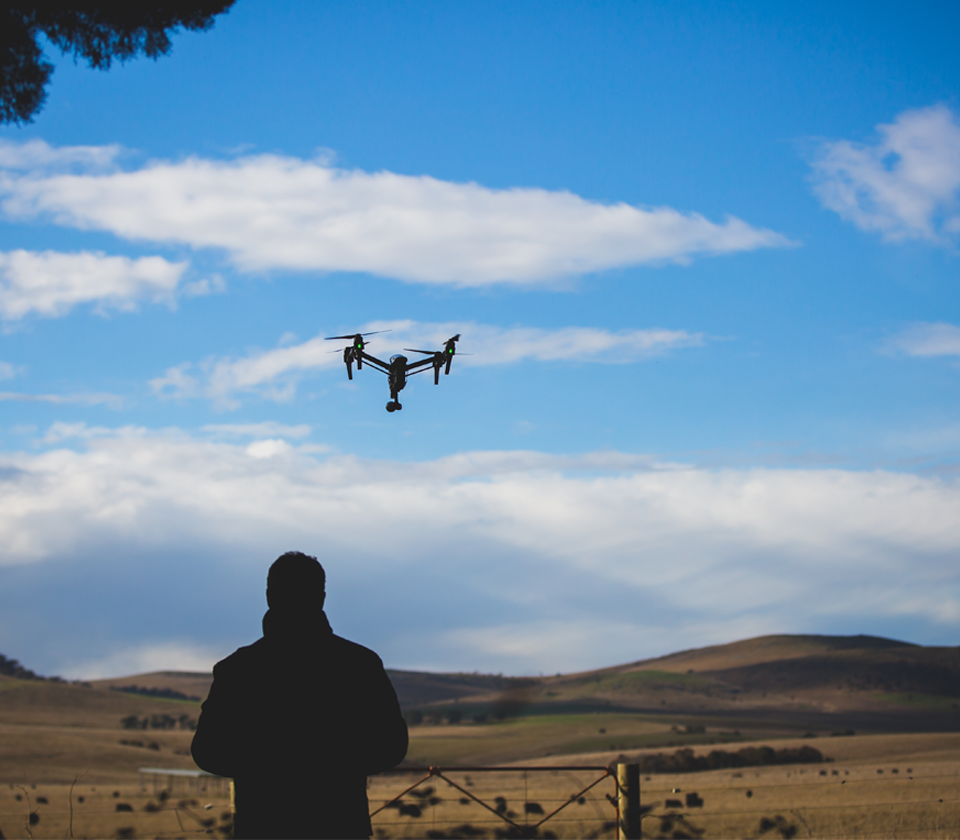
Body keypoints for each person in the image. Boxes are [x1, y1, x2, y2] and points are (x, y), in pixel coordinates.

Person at [191, 551, 408, 839]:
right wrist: (334, 767)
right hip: (340, 824)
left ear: (269, 596)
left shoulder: (237, 670)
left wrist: (264, 768)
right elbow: (392, 746)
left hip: (262, 825)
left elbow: (207, 751)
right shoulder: (360, 664)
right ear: (321, 597)